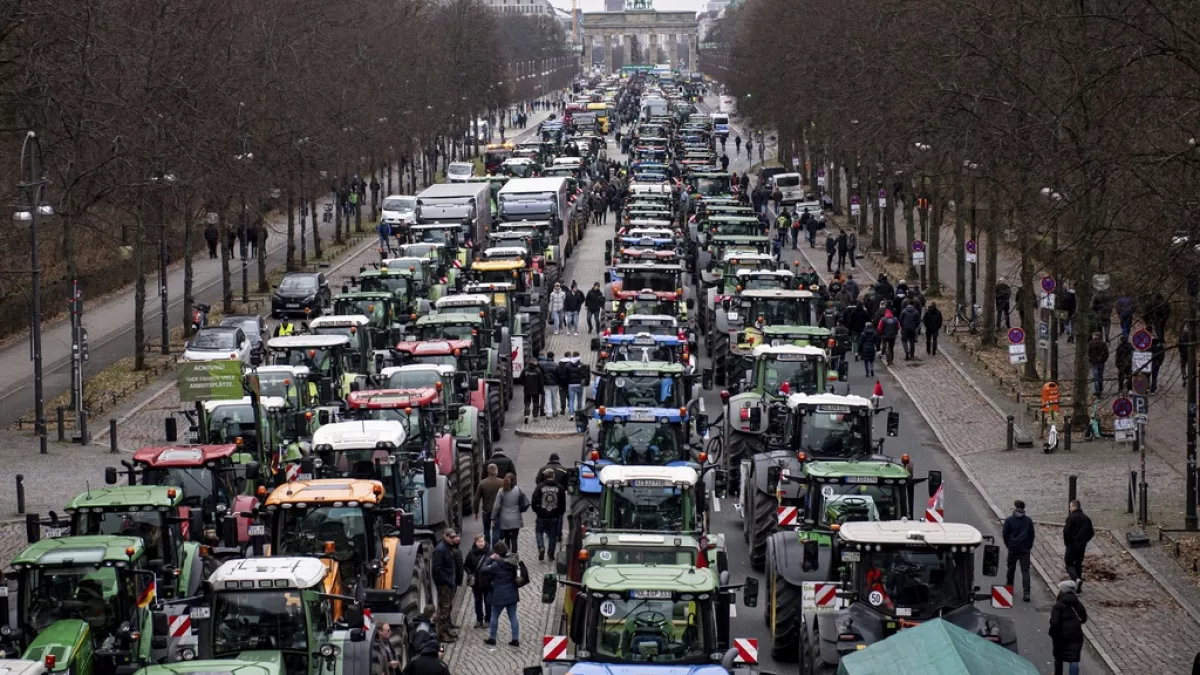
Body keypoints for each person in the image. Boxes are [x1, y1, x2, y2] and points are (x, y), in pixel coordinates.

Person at [482, 541, 521, 647]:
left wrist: (490, 558)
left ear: (497, 553)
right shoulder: (512, 562)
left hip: (499, 594)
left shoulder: (496, 565)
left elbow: (483, 569)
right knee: (513, 616)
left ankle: (492, 638)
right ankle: (515, 639)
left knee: (494, 616)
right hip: (512, 592)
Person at [1049, 580, 1087, 675]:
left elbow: (1054, 623)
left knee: (1059, 657)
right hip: (1076, 635)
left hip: (1061, 636)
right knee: (1074, 658)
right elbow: (1084, 617)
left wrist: (1053, 634)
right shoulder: (1076, 602)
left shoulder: (1058, 605)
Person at [431, 529, 462, 643]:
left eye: (454, 537)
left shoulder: (449, 547)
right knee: (443, 610)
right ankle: (442, 634)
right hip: (444, 584)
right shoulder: (440, 549)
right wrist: (447, 581)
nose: (454, 539)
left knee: (448, 608)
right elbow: (437, 569)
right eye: (451, 537)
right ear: (445, 536)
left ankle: (446, 630)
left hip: (450, 583)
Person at [1002, 499, 1035, 602]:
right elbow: (1032, 535)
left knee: (1011, 568)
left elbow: (1005, 534)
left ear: (1015, 508)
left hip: (1013, 548)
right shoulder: (1028, 520)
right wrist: (1028, 546)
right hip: (1024, 549)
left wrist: (1009, 545)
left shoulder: (1009, 520)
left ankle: (1009, 588)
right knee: (1025, 571)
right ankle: (1026, 592)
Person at [532, 469, 566, 561]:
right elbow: (562, 503)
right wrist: (559, 513)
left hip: (542, 515)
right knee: (552, 535)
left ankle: (541, 547)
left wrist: (537, 510)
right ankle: (551, 554)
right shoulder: (559, 488)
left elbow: (534, 500)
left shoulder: (540, 487)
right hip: (554, 515)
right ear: (553, 476)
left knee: (539, 532)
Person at [1063, 500, 1095, 593]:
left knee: (1068, 563)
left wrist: (1067, 543)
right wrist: (1084, 541)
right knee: (1078, 564)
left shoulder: (1071, 518)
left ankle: (1076, 579)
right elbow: (1091, 532)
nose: (1069, 508)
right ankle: (1078, 588)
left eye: (1070, 506)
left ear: (1073, 507)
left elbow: (1066, 532)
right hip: (1082, 546)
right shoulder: (1086, 518)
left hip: (1072, 545)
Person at [491, 474, 527, 553]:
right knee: (514, 539)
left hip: (505, 518)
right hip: (516, 518)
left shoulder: (501, 491)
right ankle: (514, 556)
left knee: (507, 539)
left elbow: (496, 506)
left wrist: (493, 518)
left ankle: (507, 555)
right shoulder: (518, 489)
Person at [465, 533, 492, 628]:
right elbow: (466, 565)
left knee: (488, 602)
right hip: (476, 582)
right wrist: (470, 573)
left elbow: (495, 565)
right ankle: (479, 619)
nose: (481, 543)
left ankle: (488, 619)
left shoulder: (490, 552)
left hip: (487, 582)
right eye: (479, 541)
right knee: (477, 601)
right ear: (475, 542)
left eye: (482, 541)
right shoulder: (471, 553)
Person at [475, 464, 504, 545]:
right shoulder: (502, 482)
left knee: (486, 530)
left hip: (486, 511)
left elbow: (477, 498)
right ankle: (495, 549)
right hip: (498, 511)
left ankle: (487, 547)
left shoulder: (482, 483)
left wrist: (476, 512)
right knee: (496, 530)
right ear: (496, 471)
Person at [521, 359, 544, 425]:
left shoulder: (525, 370)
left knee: (527, 403)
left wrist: (525, 385)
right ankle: (535, 416)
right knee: (536, 403)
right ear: (535, 363)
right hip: (536, 390)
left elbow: (521, 379)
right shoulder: (538, 371)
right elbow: (541, 382)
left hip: (527, 390)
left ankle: (526, 415)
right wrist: (541, 390)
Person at [543, 351, 560, 418]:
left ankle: (549, 413)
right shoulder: (556, 365)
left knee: (547, 398)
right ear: (553, 357)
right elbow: (559, 375)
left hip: (546, 384)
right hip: (554, 384)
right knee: (554, 398)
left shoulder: (543, 365)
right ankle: (555, 411)